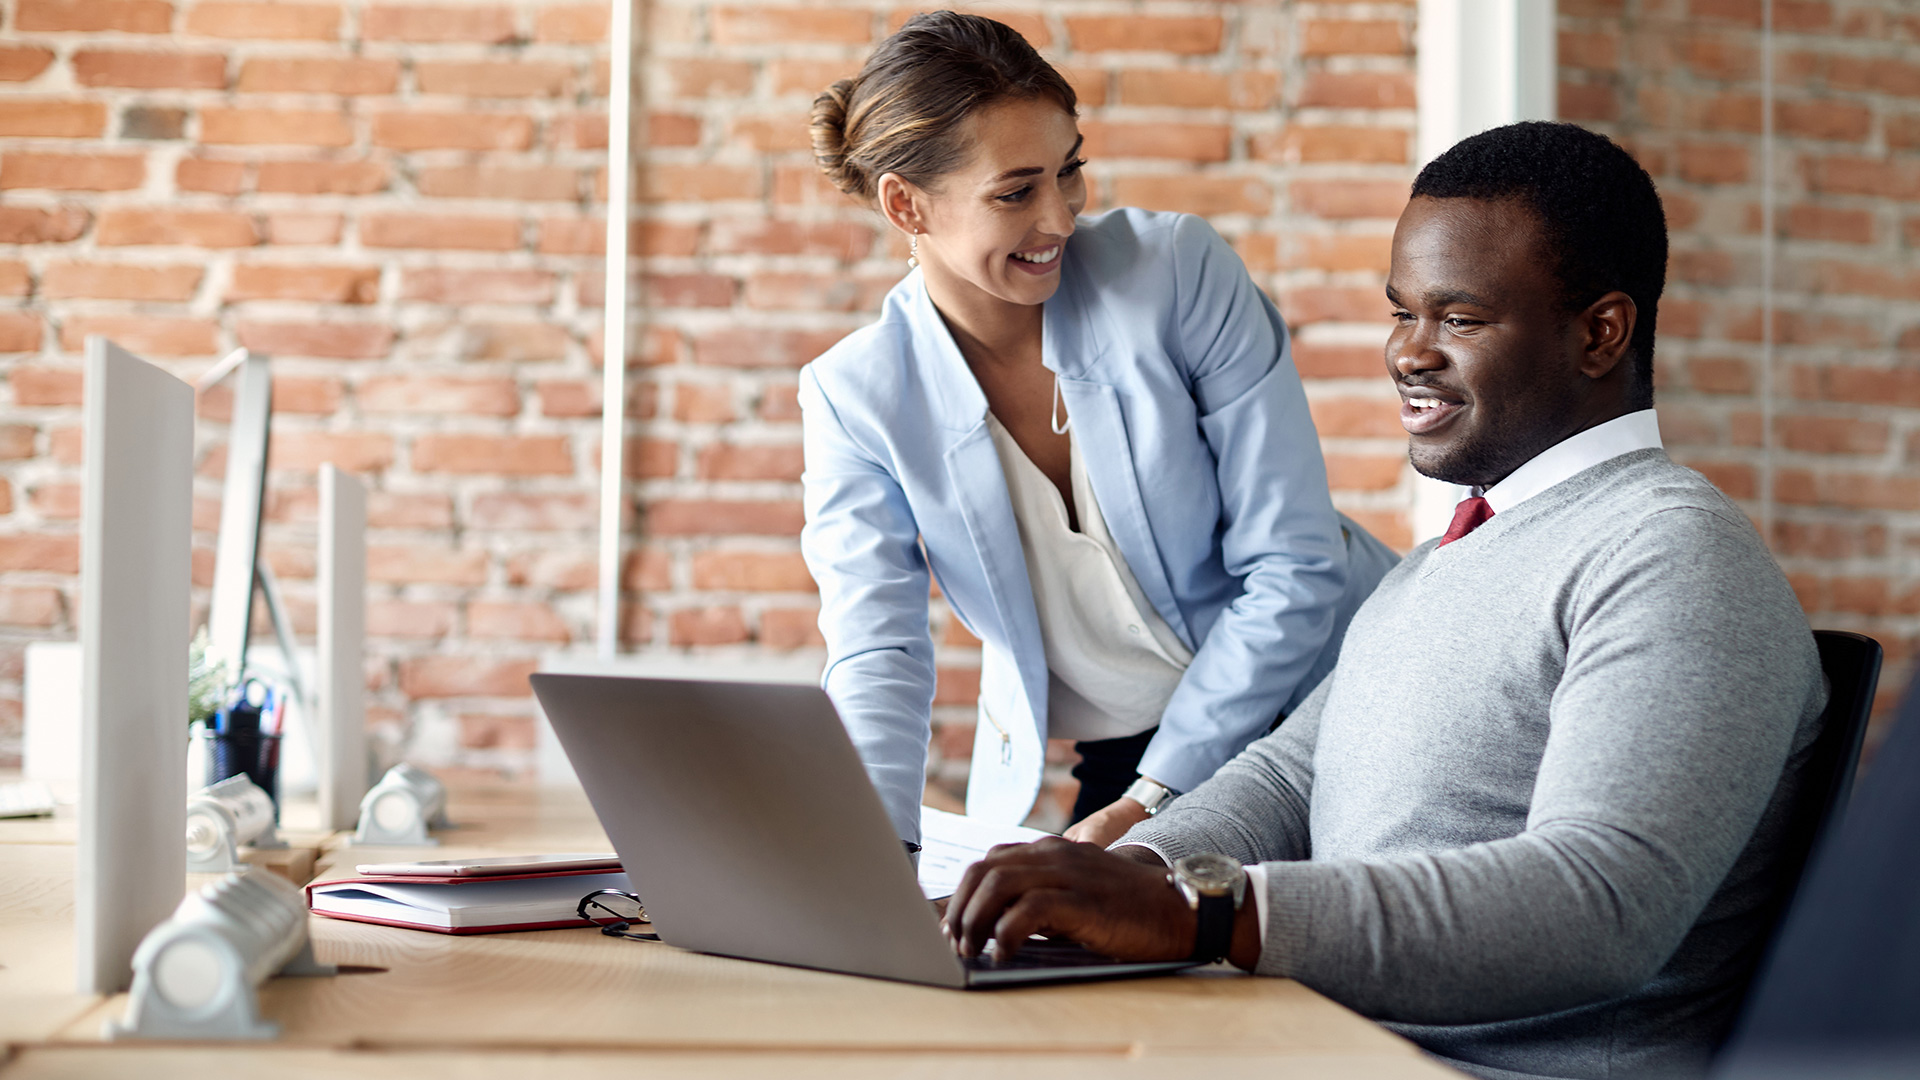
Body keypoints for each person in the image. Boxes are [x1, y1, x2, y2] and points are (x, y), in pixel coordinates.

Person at [942, 121, 1830, 1080]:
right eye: (1402, 312)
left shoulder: (1671, 554)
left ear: (1599, 334)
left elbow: (1601, 905)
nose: (1409, 352)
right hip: (1319, 1047)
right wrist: (1131, 872)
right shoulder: (1438, 564)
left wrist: (1203, 913)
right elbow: (1288, 779)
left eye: (1460, 320)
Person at [799, 11, 1398, 849]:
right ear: (907, 205)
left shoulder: (1176, 272)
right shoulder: (856, 395)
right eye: (1016, 192)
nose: (1060, 217)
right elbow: (878, 651)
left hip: (1337, 692)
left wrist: (1150, 803)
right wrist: (876, 857)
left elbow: (1294, 563)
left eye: (1069, 171)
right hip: (1132, 751)